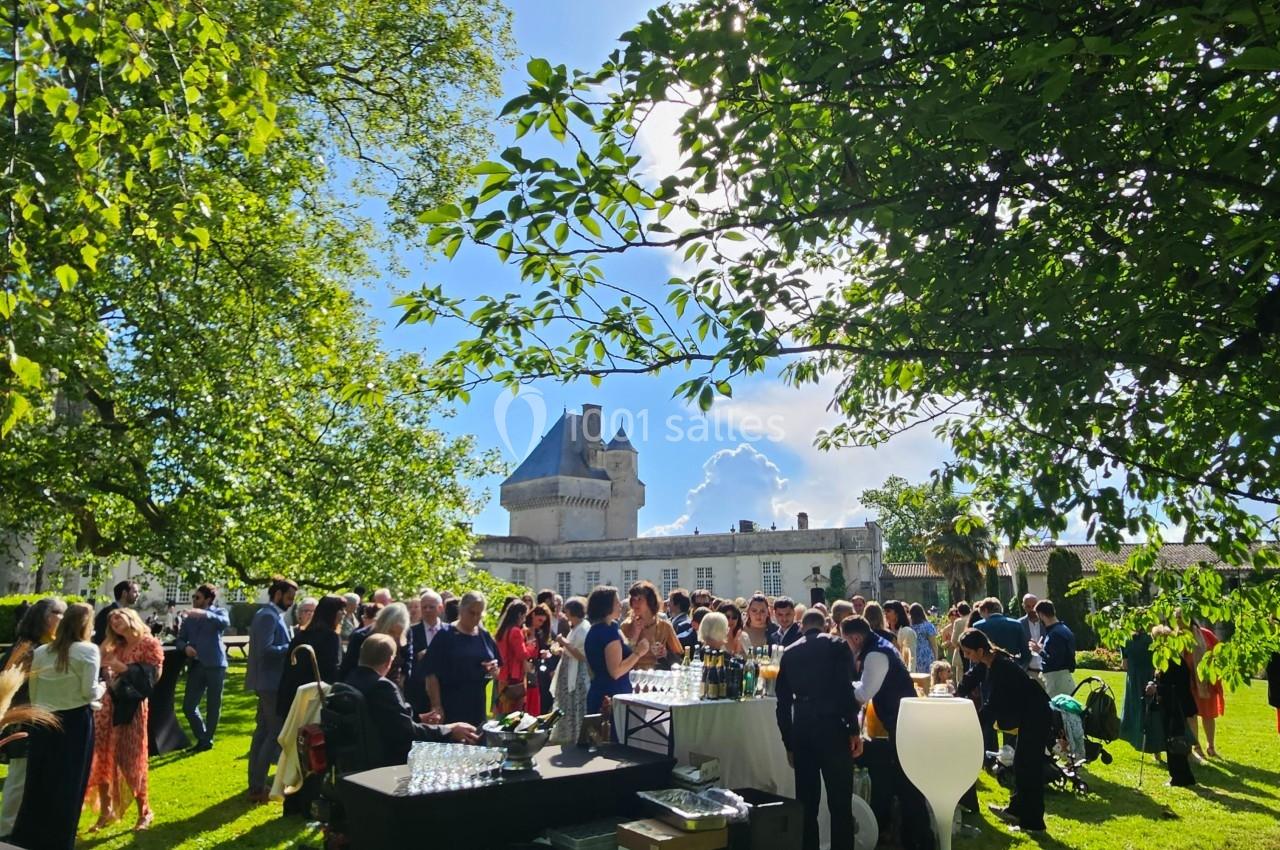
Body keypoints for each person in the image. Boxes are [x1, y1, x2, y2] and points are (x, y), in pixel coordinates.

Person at [11, 603, 104, 850]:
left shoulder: (42, 651)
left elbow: (35, 692)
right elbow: (89, 692)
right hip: (74, 722)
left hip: (43, 720)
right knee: (69, 782)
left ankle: (29, 835)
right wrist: (104, 688)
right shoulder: (88, 651)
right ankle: (60, 839)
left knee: (39, 780)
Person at [842, 616, 933, 850]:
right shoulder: (880, 645)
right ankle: (911, 838)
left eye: (847, 642)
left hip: (904, 724)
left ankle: (920, 841)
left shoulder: (875, 654)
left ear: (855, 638)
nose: (847, 647)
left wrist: (837, 693)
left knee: (909, 787)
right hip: (902, 722)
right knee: (904, 784)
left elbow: (864, 692)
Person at [776, 610, 863, 850]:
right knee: (840, 802)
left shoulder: (790, 652)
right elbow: (846, 689)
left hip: (803, 726)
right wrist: (854, 729)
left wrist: (788, 742)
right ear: (825, 625)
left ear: (802, 627)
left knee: (806, 802)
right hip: (833, 724)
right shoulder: (837, 645)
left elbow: (782, 704)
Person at [956, 628, 1052, 834]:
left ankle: (1033, 824)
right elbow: (970, 678)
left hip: (1036, 715)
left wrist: (971, 724)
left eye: (969, 652)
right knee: (1021, 764)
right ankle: (1016, 810)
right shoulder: (987, 663)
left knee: (1029, 768)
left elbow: (994, 705)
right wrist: (955, 695)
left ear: (981, 650)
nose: (966, 656)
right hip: (1027, 715)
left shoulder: (1002, 668)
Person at [344, 634, 478, 768]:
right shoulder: (382, 687)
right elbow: (407, 733)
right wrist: (449, 730)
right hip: (388, 763)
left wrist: (418, 718)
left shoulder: (350, 681)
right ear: (389, 662)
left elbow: (385, 718)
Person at [86, 608, 164, 832]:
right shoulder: (115, 645)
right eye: (111, 621)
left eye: (118, 618)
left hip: (132, 707)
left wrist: (126, 669)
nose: (115, 623)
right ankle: (106, 811)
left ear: (131, 618)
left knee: (132, 758)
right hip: (108, 705)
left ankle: (144, 811)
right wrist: (106, 669)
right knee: (102, 756)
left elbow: (154, 676)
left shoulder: (149, 643)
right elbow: (97, 662)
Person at [0, 597, 67, 837]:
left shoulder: (46, 645)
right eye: (60, 614)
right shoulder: (28, 648)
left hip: (38, 718)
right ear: (46, 618)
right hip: (22, 719)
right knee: (19, 777)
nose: (63, 619)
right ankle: (6, 828)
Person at [245, 576, 297, 804]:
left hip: (268, 682)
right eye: (289, 597)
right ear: (277, 594)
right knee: (271, 734)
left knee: (263, 732)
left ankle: (256, 784)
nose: (291, 602)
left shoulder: (270, 614)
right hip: (270, 684)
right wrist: (292, 646)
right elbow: (265, 650)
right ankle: (257, 786)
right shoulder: (267, 616)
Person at [424, 591, 499, 727]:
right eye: (472, 613)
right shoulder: (446, 634)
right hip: (451, 702)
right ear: (461, 609)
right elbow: (431, 673)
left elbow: (497, 667)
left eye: (479, 614)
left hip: (477, 703)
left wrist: (494, 669)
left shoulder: (484, 636)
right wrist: (436, 705)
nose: (475, 617)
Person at [175, 583, 230, 753]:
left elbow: (224, 623)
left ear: (208, 599)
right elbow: (179, 639)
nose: (194, 600)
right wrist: (185, 647)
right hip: (197, 665)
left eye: (197, 597)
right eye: (193, 597)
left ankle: (208, 739)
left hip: (215, 664)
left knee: (214, 705)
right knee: (189, 706)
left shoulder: (219, 612)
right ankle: (203, 737)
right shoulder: (189, 618)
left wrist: (205, 614)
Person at [277, 595, 345, 719]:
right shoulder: (330, 637)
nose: (343, 614)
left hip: (294, 694)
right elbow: (331, 669)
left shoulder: (302, 635)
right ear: (332, 613)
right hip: (315, 696)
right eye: (341, 610)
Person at [584, 586, 649, 714]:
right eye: (616, 602)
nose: (620, 605)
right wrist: (639, 653)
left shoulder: (605, 628)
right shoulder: (607, 632)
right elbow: (616, 671)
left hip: (601, 689)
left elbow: (622, 652)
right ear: (606, 606)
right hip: (611, 694)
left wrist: (635, 634)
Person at [1148, 625, 1197, 786]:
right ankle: (1180, 775)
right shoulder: (1166, 659)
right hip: (1170, 704)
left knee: (1176, 741)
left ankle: (1180, 777)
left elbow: (1175, 686)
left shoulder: (1174, 661)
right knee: (1172, 740)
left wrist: (1158, 688)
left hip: (1177, 705)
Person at [550, 597, 590, 745]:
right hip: (569, 670)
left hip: (578, 673)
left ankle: (576, 735)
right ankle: (568, 734)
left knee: (575, 703)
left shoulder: (583, 628)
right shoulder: (576, 627)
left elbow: (581, 655)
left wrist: (563, 642)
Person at [1120, 629, 1165, 759]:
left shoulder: (1126, 639)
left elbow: (1125, 665)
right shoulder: (1151, 639)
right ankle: (1157, 751)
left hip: (1134, 682)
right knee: (1152, 713)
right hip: (1149, 679)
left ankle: (1140, 742)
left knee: (1137, 713)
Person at [340, 602, 410, 685]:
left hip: (393, 686)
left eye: (398, 634)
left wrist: (402, 681)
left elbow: (407, 660)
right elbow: (348, 668)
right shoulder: (360, 637)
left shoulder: (406, 634)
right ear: (382, 624)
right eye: (391, 632)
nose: (394, 638)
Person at [624, 581, 683, 670]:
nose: (635, 603)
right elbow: (619, 659)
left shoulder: (664, 627)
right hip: (632, 677)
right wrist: (635, 636)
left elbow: (680, 658)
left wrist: (665, 653)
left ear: (650, 601)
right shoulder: (626, 626)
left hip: (657, 679)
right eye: (633, 599)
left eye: (639, 599)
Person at [1186, 622, 1224, 758]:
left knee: (1209, 715)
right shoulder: (1179, 637)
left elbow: (1220, 653)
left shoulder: (1205, 634)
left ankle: (1211, 746)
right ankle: (1196, 747)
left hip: (1206, 683)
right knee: (1191, 716)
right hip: (1188, 683)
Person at [405, 590, 447, 715]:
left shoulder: (450, 631)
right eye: (424, 607)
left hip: (445, 689)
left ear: (440, 608)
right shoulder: (411, 632)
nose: (427, 610)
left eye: (431, 607)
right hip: (419, 690)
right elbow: (406, 659)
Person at [1031, 600, 1076, 697]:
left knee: (1057, 710)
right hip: (1063, 677)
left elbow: (1054, 660)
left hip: (1057, 679)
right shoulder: (1063, 629)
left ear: (1041, 614)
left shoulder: (1055, 634)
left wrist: (1039, 650)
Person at [495, 600, 532, 715]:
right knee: (515, 711)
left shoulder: (503, 630)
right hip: (514, 675)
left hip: (503, 673)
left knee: (504, 707)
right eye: (524, 615)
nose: (524, 619)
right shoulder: (516, 631)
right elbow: (522, 654)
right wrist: (531, 647)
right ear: (520, 615)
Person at [974, 598, 1030, 666]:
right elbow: (1026, 652)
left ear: (985, 610)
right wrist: (1020, 666)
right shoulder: (1016, 624)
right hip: (1011, 666)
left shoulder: (978, 626)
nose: (982, 617)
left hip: (986, 668)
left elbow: (974, 652)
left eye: (981, 614)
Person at [528, 603, 556, 712]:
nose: (541, 624)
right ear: (533, 615)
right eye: (539, 620)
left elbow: (545, 647)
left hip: (539, 670)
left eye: (543, 622)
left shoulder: (540, 632)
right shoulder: (525, 629)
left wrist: (546, 653)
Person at [93, 581, 139, 645]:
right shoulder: (107, 613)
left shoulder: (131, 614)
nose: (138, 594)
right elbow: (100, 638)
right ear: (124, 593)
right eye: (135, 592)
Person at [1018, 594, 1044, 683]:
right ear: (1023, 607)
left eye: (1034, 606)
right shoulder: (1019, 624)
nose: (1032, 609)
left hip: (1046, 671)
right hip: (1028, 671)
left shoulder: (1046, 623)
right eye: (1028, 607)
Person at [883, 600, 915, 671]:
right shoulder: (884, 632)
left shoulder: (906, 631)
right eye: (884, 611)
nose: (885, 614)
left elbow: (911, 657)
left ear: (897, 613)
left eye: (888, 611)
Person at [908, 603, 937, 674]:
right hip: (927, 656)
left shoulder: (909, 627)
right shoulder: (928, 626)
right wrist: (936, 658)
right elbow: (934, 645)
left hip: (914, 655)